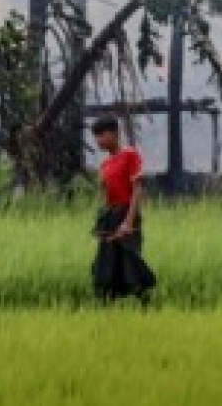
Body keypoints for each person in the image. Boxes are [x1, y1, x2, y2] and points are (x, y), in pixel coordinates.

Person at [90, 116, 156, 303]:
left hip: (128, 214)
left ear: (113, 133)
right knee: (106, 264)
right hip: (111, 216)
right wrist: (102, 221)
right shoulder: (105, 164)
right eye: (96, 137)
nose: (98, 141)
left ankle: (146, 304)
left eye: (101, 135)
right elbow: (105, 196)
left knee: (131, 263)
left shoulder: (130, 155)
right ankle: (108, 309)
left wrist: (128, 222)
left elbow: (137, 189)